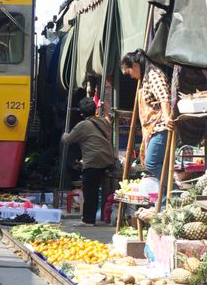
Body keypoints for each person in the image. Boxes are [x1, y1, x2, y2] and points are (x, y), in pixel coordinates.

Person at [121, 49, 174, 191]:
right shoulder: (145, 77)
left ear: (135, 65)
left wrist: (168, 116)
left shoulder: (153, 75)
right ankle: (164, 200)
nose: (130, 76)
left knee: (152, 163)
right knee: (157, 164)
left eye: (129, 71)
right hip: (153, 128)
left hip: (161, 126)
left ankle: (173, 190)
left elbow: (164, 97)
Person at [62, 97, 115, 226]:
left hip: (94, 161)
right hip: (108, 158)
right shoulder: (102, 121)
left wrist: (64, 135)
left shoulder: (83, 125)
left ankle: (88, 220)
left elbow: (68, 140)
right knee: (96, 189)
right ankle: (100, 216)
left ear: (81, 114)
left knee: (90, 191)